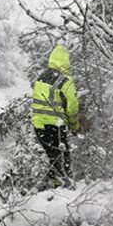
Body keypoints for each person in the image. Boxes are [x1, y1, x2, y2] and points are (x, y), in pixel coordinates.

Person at [31, 44, 80, 188]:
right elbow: (72, 107)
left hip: (39, 127)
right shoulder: (65, 80)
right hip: (55, 126)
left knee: (54, 159)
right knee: (63, 162)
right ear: (66, 62)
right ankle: (64, 191)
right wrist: (74, 126)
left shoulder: (41, 76)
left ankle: (52, 188)